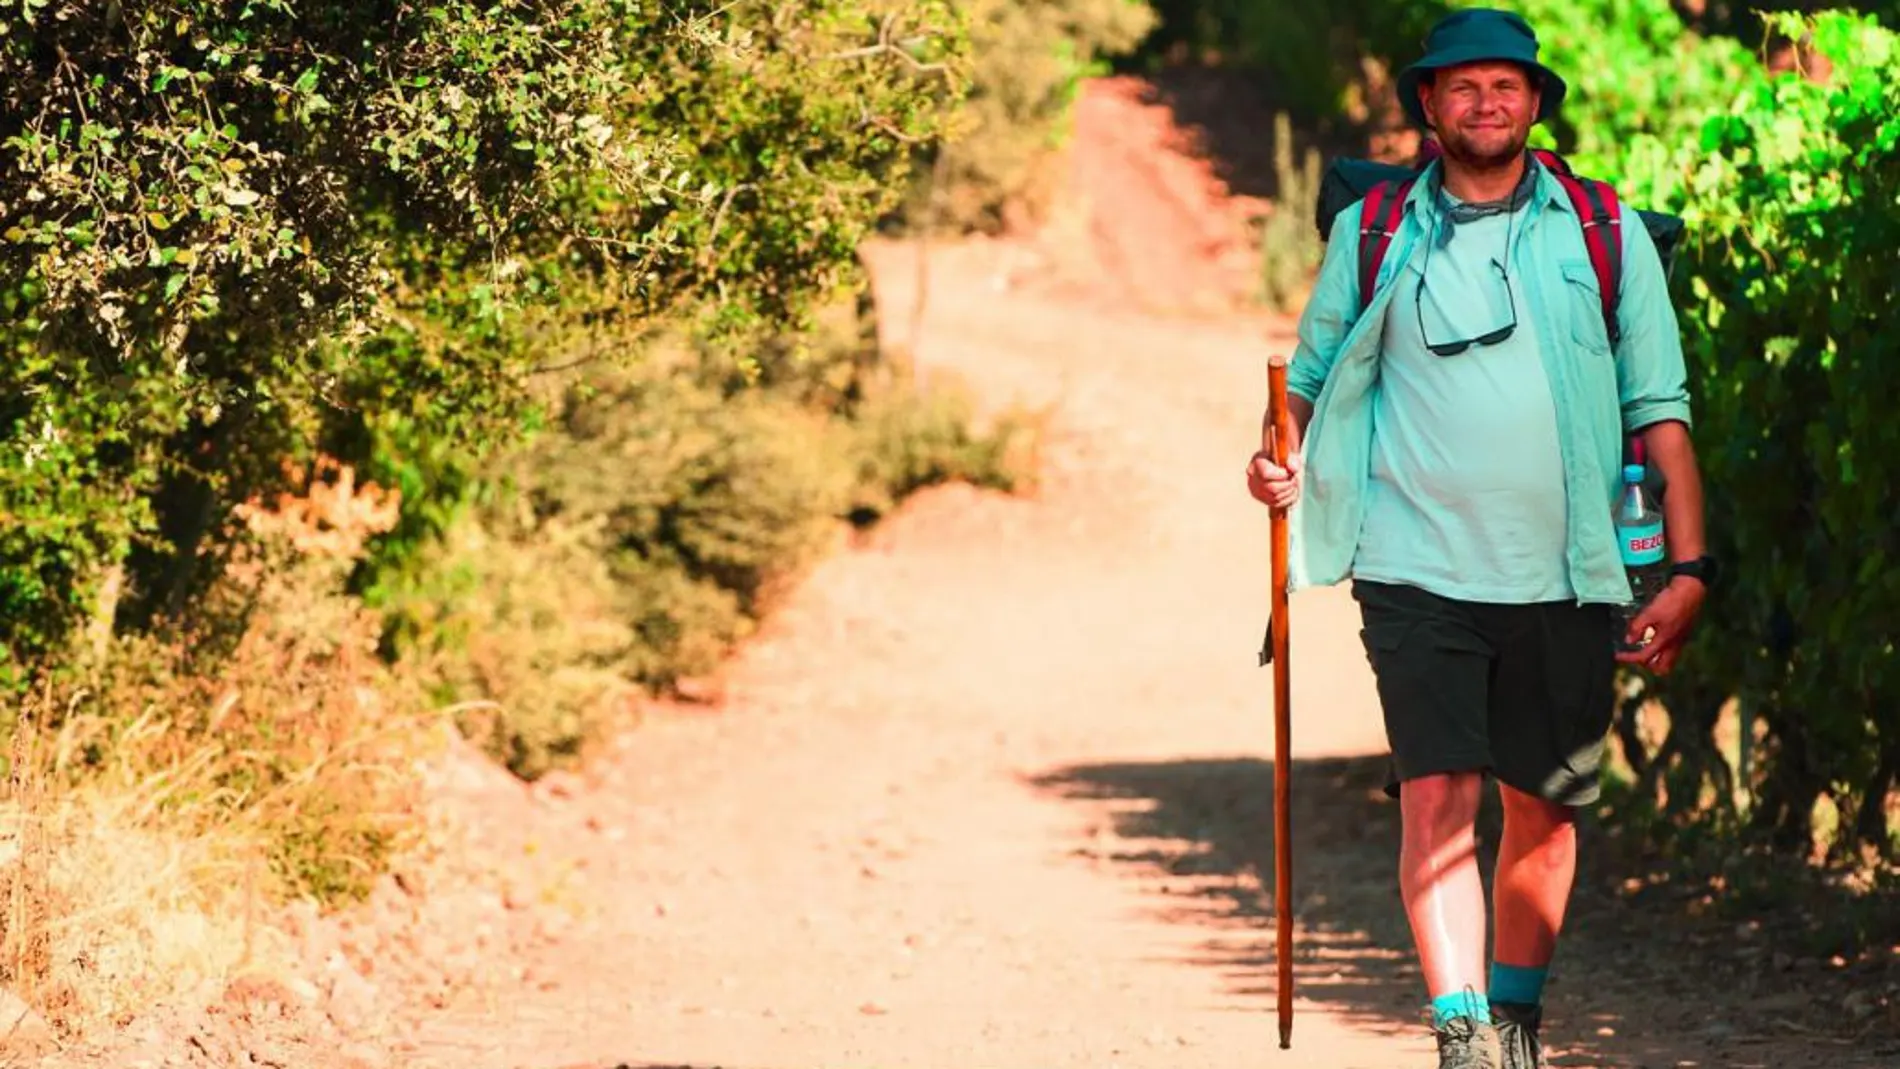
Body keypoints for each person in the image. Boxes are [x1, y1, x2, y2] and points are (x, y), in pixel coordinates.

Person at [1244, 9, 1717, 1069]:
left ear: (1535, 103)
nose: (1485, 101)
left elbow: (1662, 409)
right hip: (1412, 571)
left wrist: (1688, 569)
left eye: (1505, 84)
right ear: (1427, 105)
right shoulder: (1370, 233)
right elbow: (1305, 388)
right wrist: (1276, 458)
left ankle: (1515, 1020)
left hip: (1570, 573)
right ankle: (1463, 1039)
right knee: (1437, 803)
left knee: (1542, 821)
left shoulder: (1604, 232)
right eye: (1462, 86)